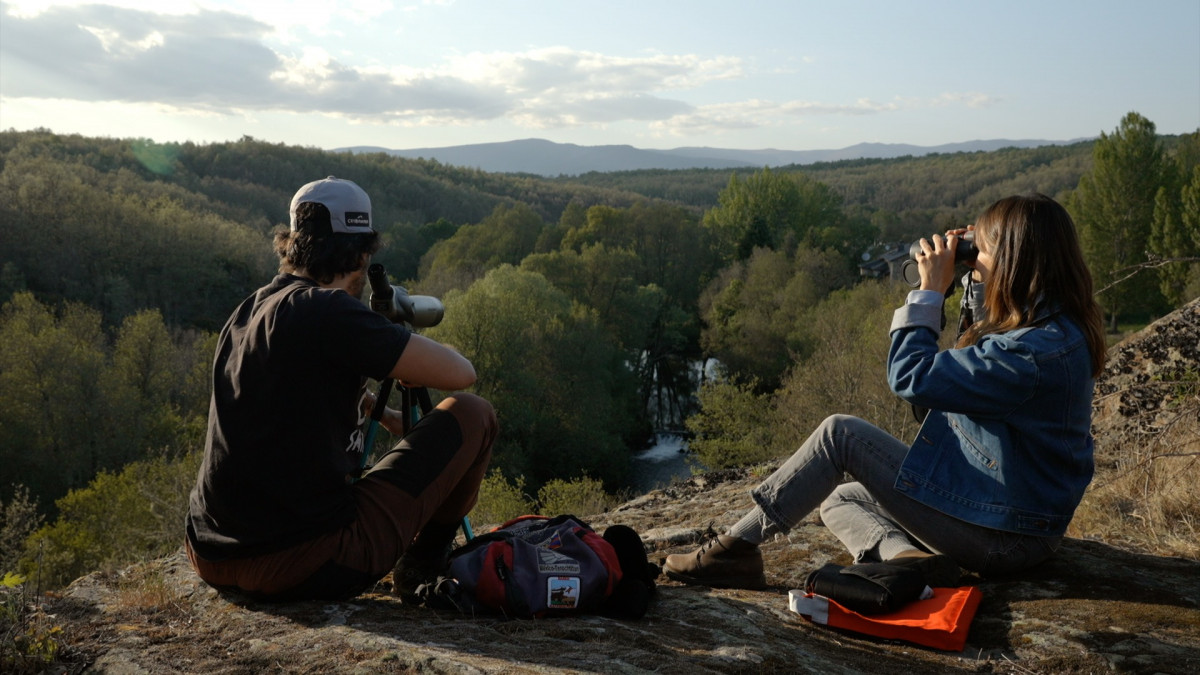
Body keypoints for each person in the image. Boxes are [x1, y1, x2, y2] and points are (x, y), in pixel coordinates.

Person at [664, 193, 1107, 589]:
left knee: (841, 435)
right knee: (840, 499)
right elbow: (961, 374)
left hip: (1003, 537)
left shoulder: (1029, 356)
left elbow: (913, 377)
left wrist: (929, 292)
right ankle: (908, 560)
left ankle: (730, 552)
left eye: (982, 251)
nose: (973, 259)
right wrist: (971, 285)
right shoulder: (1053, 326)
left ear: (1013, 261)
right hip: (1010, 519)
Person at [186, 176, 498, 601]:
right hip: (304, 561)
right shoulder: (329, 310)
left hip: (211, 557)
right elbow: (461, 373)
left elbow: (283, 393)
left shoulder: (251, 308)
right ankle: (424, 563)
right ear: (360, 254)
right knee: (474, 414)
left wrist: (382, 414)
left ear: (293, 243)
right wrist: (412, 351)